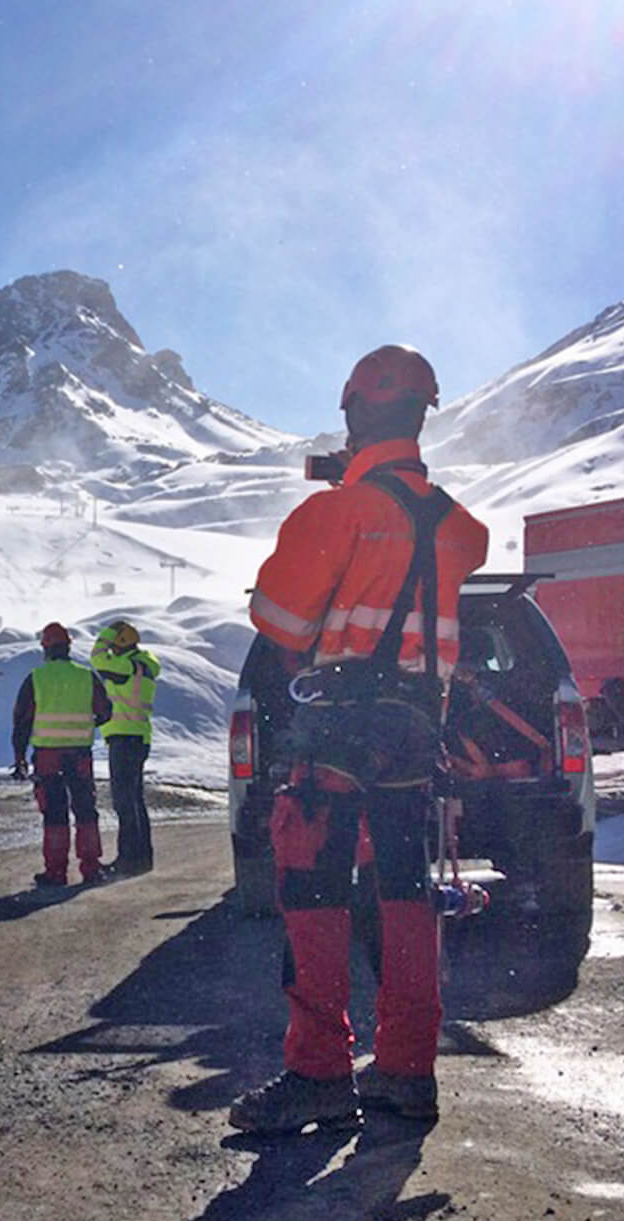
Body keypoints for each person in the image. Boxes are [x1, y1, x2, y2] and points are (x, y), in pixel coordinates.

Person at [228, 344, 488, 1134]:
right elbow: (441, 550)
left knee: (314, 892)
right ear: (420, 416)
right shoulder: (458, 526)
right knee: (404, 894)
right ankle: (407, 1070)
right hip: (415, 728)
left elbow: (279, 623)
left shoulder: (334, 513)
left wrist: (342, 499)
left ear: (353, 413)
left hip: (336, 726)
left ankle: (319, 1072)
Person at [11, 622, 112, 888]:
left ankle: (56, 872)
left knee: (54, 814)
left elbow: (21, 722)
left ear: (46, 649)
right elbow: (105, 712)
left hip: (48, 757)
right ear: (68, 647)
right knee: (85, 810)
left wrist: (19, 758)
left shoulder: (36, 679)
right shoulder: (86, 676)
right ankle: (91, 868)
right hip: (80, 755)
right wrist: (86, 723)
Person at [90, 620, 159, 875]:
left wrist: (107, 632)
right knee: (134, 800)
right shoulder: (142, 663)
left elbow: (96, 659)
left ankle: (129, 860)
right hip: (136, 736)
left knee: (124, 802)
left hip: (125, 737)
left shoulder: (127, 666)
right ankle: (142, 858)